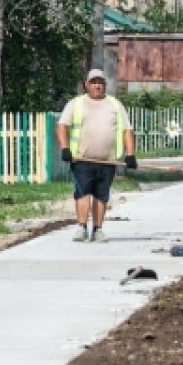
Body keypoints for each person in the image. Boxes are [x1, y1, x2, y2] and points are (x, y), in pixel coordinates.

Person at [55, 69, 136, 243]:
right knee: (83, 192)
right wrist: (65, 148)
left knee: (101, 195)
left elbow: (127, 130)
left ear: (105, 85)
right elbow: (62, 126)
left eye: (100, 82)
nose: (97, 86)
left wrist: (130, 155)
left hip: (108, 160)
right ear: (86, 85)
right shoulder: (76, 104)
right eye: (93, 82)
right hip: (82, 159)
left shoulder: (115, 105)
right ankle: (82, 228)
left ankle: (98, 229)